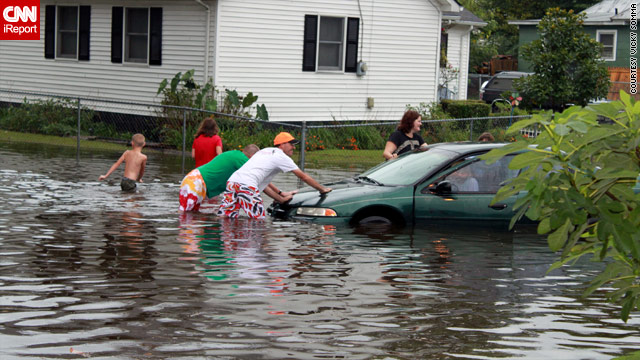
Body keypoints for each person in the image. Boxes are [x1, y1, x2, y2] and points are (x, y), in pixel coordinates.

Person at [218, 132, 332, 219]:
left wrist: (281, 197)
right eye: (291, 144)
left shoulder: (265, 151)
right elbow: (303, 176)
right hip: (247, 185)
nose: (294, 147)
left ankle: (228, 246)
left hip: (233, 182)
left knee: (226, 217)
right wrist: (322, 189)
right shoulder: (281, 156)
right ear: (282, 145)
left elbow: (263, 186)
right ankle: (250, 248)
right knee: (258, 221)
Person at [179, 144, 260, 212]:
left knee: (190, 214)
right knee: (185, 214)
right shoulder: (243, 159)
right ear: (252, 156)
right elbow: (259, 177)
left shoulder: (236, 154)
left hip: (194, 179)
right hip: (196, 182)